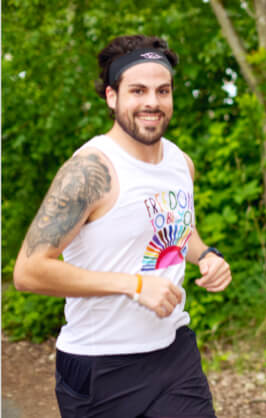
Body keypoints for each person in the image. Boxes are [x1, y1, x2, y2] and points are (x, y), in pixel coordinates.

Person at [13, 34, 232, 417]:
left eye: (163, 91)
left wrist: (207, 256)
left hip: (173, 354)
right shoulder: (90, 171)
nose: (152, 102)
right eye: (138, 90)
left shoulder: (180, 163)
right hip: (101, 366)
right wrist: (133, 285)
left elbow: (178, 229)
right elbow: (29, 272)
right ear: (112, 97)